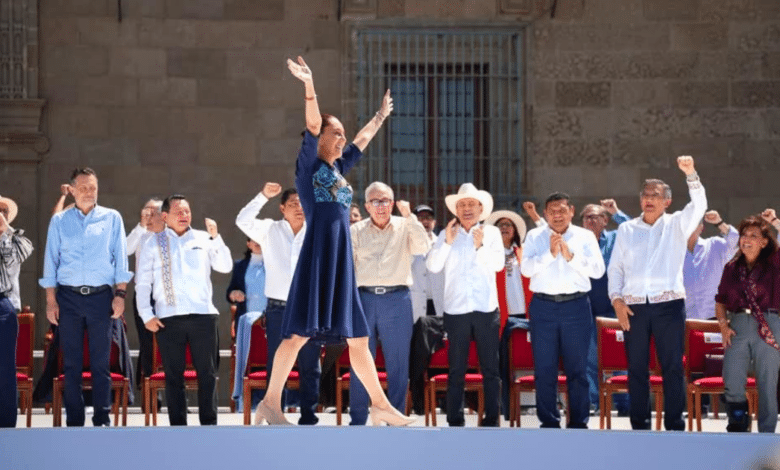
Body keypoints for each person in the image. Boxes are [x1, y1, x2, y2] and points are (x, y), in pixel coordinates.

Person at [254, 56, 413, 426]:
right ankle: (271, 403)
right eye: (335, 133)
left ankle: (380, 405)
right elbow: (312, 121)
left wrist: (379, 118)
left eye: (342, 133)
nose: (341, 138)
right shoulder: (309, 165)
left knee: (357, 338)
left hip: (340, 262)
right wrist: (309, 85)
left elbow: (361, 141)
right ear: (319, 138)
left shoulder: (338, 169)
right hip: (319, 258)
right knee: (295, 337)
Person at [608, 155, 707, 431]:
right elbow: (615, 268)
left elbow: (699, 205)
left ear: (667, 202)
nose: (649, 199)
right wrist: (616, 299)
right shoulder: (627, 229)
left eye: (656, 195)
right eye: (645, 195)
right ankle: (639, 425)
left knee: (672, 366)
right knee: (636, 368)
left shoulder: (677, 223)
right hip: (634, 307)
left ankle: (675, 424)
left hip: (669, 305)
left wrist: (691, 174)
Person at [39, 167, 133, 427]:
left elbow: (121, 259)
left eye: (93, 187)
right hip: (68, 298)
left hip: (101, 297)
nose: (90, 192)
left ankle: (102, 417)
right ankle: (75, 420)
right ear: (72, 190)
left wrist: (120, 295)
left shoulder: (112, 218)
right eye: (83, 188)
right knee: (71, 363)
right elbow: (51, 262)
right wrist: (50, 301)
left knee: (101, 362)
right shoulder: (59, 221)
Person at [136, 195, 232, 426]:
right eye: (178, 211)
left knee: (207, 375)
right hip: (169, 318)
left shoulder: (203, 237)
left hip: (203, 316)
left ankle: (209, 425)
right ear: (165, 216)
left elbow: (225, 266)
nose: (184, 215)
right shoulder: (152, 242)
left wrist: (216, 237)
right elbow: (142, 282)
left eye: (187, 211)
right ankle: (178, 427)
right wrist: (146, 314)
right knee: (173, 376)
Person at [236, 183, 323, 425]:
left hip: (308, 308)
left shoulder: (315, 231)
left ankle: (308, 415)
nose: (299, 208)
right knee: (276, 364)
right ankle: (276, 411)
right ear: (282, 208)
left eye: (302, 204)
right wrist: (263, 195)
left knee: (310, 365)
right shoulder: (269, 229)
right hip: (278, 309)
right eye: (293, 204)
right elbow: (242, 220)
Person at [349, 181, 430, 425]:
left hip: (397, 299)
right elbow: (347, 268)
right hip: (362, 298)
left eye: (385, 201)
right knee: (361, 360)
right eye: (375, 201)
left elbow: (423, 246)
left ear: (392, 203)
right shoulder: (355, 231)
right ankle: (358, 418)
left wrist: (410, 216)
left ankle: (394, 414)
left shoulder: (406, 226)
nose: (380, 206)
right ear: (366, 206)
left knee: (398, 361)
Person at [521, 192, 605, 428]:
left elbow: (598, 270)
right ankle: (548, 421)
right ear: (545, 214)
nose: (557, 215)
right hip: (543, 306)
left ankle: (579, 422)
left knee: (577, 368)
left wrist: (571, 257)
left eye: (561, 210)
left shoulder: (585, 236)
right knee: (544, 368)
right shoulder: (535, 235)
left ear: (571, 211)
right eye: (552, 211)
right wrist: (549, 255)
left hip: (576, 306)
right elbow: (526, 269)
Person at [427, 183, 504, 427]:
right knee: (456, 369)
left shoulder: (491, 234)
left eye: (472, 204)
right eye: (462, 205)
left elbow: (498, 265)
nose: (467, 209)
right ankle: (455, 419)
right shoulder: (446, 233)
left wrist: (480, 247)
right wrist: (447, 242)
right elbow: (433, 266)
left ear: (481, 209)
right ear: (456, 210)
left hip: (485, 309)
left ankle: (492, 418)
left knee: (490, 368)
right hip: (456, 310)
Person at [715, 215, 780, 433]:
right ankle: (738, 426)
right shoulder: (731, 267)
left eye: (754, 235)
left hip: (769, 324)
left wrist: (776, 223)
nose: (747, 239)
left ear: (764, 242)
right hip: (738, 324)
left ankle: (767, 434)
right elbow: (720, 301)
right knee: (732, 377)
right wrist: (723, 325)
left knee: (767, 383)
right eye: (744, 235)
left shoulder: (774, 264)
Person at [580, 200, 631, 415]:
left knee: (619, 356)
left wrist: (616, 211)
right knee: (589, 357)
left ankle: (625, 403)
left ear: (604, 221)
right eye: (586, 217)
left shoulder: (615, 238)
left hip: (613, 305)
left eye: (595, 217)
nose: (590, 220)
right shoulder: (577, 241)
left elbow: (632, 228)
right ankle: (594, 403)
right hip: (586, 306)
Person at [0, 195, 33, 428]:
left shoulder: (19, 239)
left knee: (4, 367)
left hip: (2, 305)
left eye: (2, 211)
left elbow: (12, 261)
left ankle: (6, 425)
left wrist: (4, 232)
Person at [126, 198, 165, 391]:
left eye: (153, 212)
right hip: (143, 295)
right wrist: (141, 225)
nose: (149, 216)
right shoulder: (140, 234)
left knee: (172, 343)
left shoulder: (170, 235)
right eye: (146, 211)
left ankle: (179, 395)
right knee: (147, 342)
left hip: (166, 296)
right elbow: (125, 250)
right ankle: (152, 395)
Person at [683, 210, 739, 320]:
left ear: (701, 227)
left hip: (715, 317)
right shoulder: (672, 253)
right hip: (686, 319)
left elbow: (736, 241)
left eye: (693, 223)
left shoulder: (714, 245)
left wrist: (719, 223)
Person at [485, 210, 529, 329]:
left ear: (514, 230)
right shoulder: (487, 254)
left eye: (508, 225)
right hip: (499, 311)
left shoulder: (523, 252)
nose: (504, 227)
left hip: (524, 310)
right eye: (500, 225)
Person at [410, 204, 444, 321]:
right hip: (415, 303)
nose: (425, 221)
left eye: (429, 217)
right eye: (420, 217)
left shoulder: (442, 243)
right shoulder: (407, 244)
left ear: (434, 222)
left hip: (438, 303)